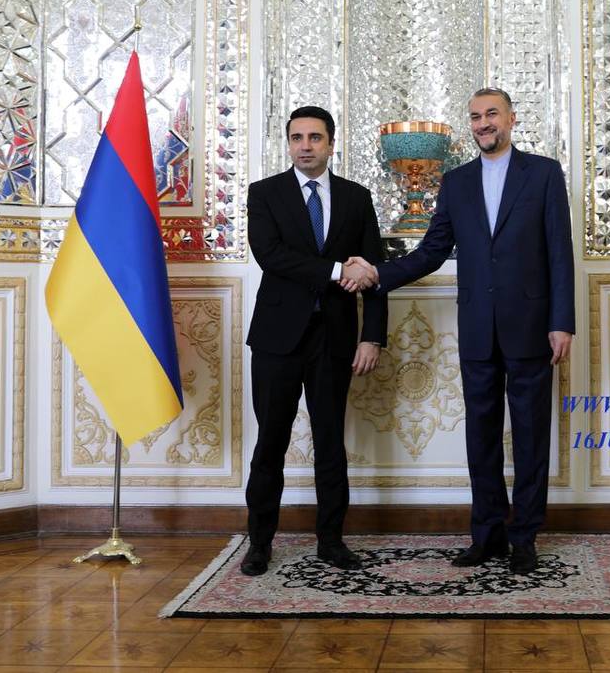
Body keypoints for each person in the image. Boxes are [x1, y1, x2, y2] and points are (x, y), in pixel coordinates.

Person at [343, 88, 573, 574]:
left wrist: (561, 322)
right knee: (481, 437)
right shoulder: (456, 181)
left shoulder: (544, 173)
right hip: (477, 330)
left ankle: (525, 537)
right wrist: (378, 273)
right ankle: (486, 535)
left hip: (532, 327)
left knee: (531, 436)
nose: (483, 123)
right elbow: (432, 251)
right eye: (475, 116)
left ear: (511, 119)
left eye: (492, 114)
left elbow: (559, 251)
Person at [242, 105, 387, 576]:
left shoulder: (356, 198)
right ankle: (259, 543)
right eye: (297, 138)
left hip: (334, 340)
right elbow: (271, 255)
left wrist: (373, 337)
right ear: (288, 144)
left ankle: (331, 541)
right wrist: (337, 269)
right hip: (276, 340)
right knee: (270, 443)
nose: (305, 146)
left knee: (330, 443)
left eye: (315, 138)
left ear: (330, 143)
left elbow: (375, 273)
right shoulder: (264, 194)